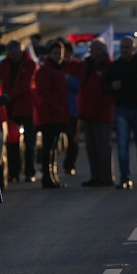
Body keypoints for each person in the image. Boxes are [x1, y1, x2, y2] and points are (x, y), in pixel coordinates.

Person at [101, 36, 137, 190]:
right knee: (122, 145)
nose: (124, 50)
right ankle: (124, 178)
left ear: (133, 49)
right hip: (122, 110)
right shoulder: (115, 66)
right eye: (122, 48)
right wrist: (112, 85)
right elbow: (104, 84)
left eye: (127, 48)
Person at [0, 40, 38, 183]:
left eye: (15, 52)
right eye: (11, 53)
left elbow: (26, 86)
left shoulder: (30, 64)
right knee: (13, 142)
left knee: (29, 142)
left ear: (21, 50)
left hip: (26, 108)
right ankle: (14, 173)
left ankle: (29, 171)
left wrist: (8, 96)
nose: (13, 56)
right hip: (11, 109)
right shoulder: (5, 63)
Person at [74, 38, 115, 187]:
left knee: (103, 147)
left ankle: (106, 176)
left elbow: (110, 92)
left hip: (102, 114)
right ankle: (95, 176)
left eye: (96, 49)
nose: (93, 52)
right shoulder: (87, 66)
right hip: (87, 112)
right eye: (92, 50)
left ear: (103, 51)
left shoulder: (109, 67)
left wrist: (103, 106)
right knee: (91, 147)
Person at [33, 40, 70, 189]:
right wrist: (55, 108)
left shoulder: (57, 69)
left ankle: (52, 176)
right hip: (49, 117)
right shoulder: (46, 70)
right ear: (49, 54)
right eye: (55, 53)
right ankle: (47, 177)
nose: (58, 56)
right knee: (49, 148)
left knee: (53, 147)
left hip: (56, 115)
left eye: (59, 54)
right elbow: (44, 94)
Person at [61, 40, 80, 176]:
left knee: (73, 139)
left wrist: (69, 81)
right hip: (58, 109)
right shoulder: (55, 66)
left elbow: (80, 84)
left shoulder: (76, 65)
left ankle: (69, 164)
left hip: (73, 109)